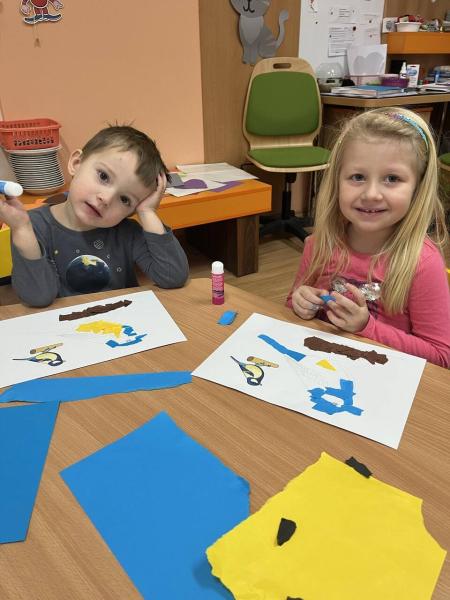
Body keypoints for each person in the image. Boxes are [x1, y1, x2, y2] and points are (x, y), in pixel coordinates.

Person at [287, 107, 450, 368]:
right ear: (337, 181)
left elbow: (441, 357)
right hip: (322, 368)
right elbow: (292, 305)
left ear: (417, 188)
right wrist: (301, 302)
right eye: (358, 177)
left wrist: (367, 326)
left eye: (392, 178)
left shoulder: (423, 263)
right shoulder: (319, 244)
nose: (371, 194)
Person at [0, 125, 189, 307]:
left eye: (125, 200)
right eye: (104, 176)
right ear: (76, 163)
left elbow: (173, 277)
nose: (106, 198)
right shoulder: (32, 225)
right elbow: (38, 298)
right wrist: (22, 230)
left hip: (121, 321)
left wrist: (148, 212)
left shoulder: (127, 232)